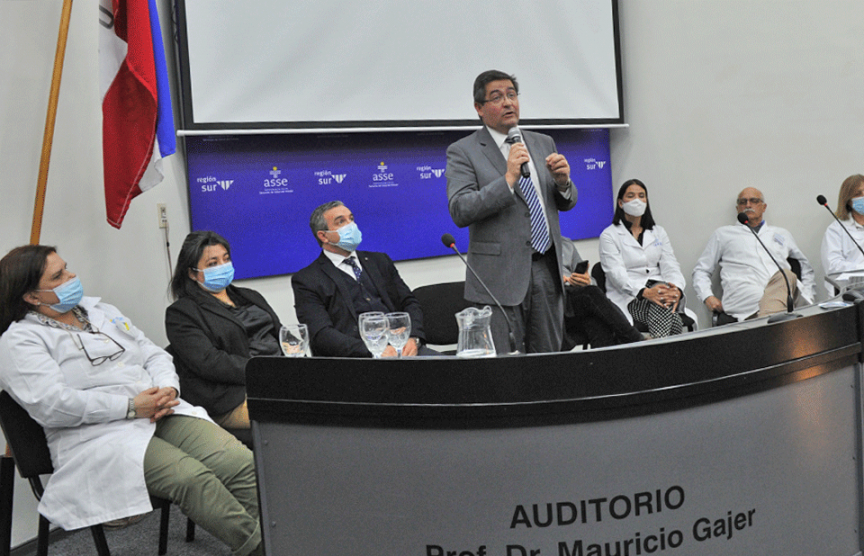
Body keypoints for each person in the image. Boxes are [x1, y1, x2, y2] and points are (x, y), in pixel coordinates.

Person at [0, 245, 263, 556]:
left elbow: (152, 353)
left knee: (241, 463)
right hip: (100, 436)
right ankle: (260, 548)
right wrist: (130, 407)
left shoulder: (101, 312)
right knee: (192, 479)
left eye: (67, 268)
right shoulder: (20, 340)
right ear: (31, 296)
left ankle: (282, 540)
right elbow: (52, 404)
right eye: (59, 276)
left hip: (160, 411)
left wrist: (169, 389)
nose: (72, 277)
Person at [446, 70, 578, 353]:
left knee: (548, 362)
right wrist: (507, 180)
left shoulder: (543, 142)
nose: (507, 102)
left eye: (511, 95)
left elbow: (564, 202)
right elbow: (460, 209)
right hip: (498, 277)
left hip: (546, 269)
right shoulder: (464, 151)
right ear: (479, 108)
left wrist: (563, 183)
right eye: (497, 97)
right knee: (504, 368)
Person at [165, 231, 282, 430]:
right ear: (192, 273)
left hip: (279, 377)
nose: (223, 266)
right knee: (300, 417)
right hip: (234, 394)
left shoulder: (250, 295)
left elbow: (279, 334)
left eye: (225, 259)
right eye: (212, 264)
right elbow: (210, 362)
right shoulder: (181, 313)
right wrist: (264, 371)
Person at [292, 200, 431, 357]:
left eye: (351, 218)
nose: (351, 225)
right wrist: (374, 351)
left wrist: (413, 338)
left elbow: (409, 302)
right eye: (341, 222)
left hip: (404, 348)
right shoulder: (307, 279)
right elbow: (322, 334)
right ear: (323, 236)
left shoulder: (380, 261)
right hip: (357, 358)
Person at [692, 187, 815, 323]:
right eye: (743, 202)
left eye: (754, 201)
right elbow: (701, 270)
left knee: (786, 275)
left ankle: (770, 324)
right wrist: (707, 296)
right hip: (745, 297)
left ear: (764, 207)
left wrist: (808, 294)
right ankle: (775, 325)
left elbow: (805, 267)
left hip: (785, 293)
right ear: (737, 208)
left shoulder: (781, 234)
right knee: (779, 303)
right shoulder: (723, 234)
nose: (748, 205)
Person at [598, 179, 691, 337]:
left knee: (663, 303)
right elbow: (616, 274)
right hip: (630, 295)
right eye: (631, 196)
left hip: (661, 290)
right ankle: (664, 356)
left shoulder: (658, 232)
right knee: (671, 317)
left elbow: (671, 266)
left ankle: (655, 352)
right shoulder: (609, 235)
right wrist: (644, 292)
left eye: (641, 196)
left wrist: (676, 290)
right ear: (620, 203)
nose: (637, 200)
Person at [560, 237, 644, 349]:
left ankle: (605, 364)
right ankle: (634, 338)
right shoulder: (533, 249)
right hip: (554, 300)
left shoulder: (565, 244)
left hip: (576, 297)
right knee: (591, 294)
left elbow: (591, 282)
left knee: (595, 320)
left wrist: (586, 280)